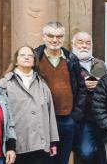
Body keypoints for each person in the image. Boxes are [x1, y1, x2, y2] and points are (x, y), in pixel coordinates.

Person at [34, 21, 89, 164]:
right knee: (45, 160)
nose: (54, 40)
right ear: (44, 37)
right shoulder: (36, 58)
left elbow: (82, 88)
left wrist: (75, 115)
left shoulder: (71, 59)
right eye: (51, 36)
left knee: (63, 160)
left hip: (66, 120)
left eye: (59, 36)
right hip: (43, 120)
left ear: (63, 38)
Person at [0, 46, 59, 164]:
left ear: (34, 61)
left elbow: (50, 114)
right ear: (15, 61)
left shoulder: (42, 84)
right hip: (16, 145)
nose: (26, 57)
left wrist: (53, 141)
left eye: (30, 55)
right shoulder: (4, 84)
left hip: (40, 145)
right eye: (22, 55)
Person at [72, 31, 107, 164]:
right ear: (73, 44)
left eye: (88, 43)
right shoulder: (68, 63)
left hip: (101, 116)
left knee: (103, 152)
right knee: (87, 152)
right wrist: (82, 84)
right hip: (82, 117)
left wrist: (100, 83)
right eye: (80, 42)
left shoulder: (100, 64)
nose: (84, 46)